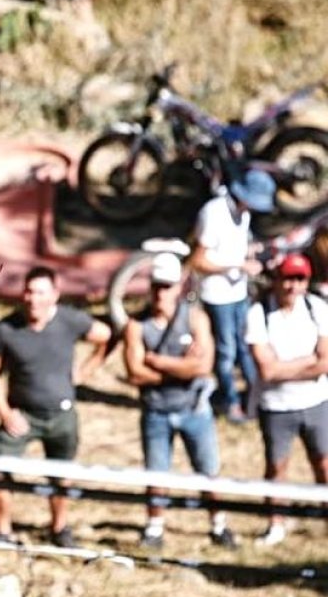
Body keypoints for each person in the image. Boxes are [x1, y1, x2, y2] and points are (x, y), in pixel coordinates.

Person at [0, 265, 111, 546]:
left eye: (40, 292)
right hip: (22, 415)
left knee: (62, 475)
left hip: (62, 414)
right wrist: (5, 412)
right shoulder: (7, 330)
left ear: (54, 295)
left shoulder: (70, 321)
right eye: (28, 291)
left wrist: (84, 372)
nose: (33, 298)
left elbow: (105, 336)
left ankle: (60, 528)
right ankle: (2, 532)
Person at [121, 252, 236, 549]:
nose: (162, 292)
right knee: (157, 473)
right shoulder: (137, 324)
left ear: (178, 287)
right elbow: (134, 372)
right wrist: (181, 369)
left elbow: (202, 367)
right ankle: (155, 527)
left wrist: (156, 361)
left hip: (194, 408)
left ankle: (218, 524)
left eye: (168, 286)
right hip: (156, 410)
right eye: (158, 285)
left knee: (208, 471)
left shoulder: (195, 319)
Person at [245, 252, 328, 546]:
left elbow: (325, 362)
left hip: (316, 402)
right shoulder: (258, 314)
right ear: (277, 280)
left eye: (299, 279)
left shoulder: (317, 308)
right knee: (277, 466)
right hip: (276, 407)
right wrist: (307, 365)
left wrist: (286, 368)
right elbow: (266, 369)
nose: (293, 286)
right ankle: (276, 523)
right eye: (288, 279)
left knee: (323, 462)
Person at [188, 169, 276, 424]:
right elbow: (198, 261)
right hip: (218, 295)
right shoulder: (213, 213)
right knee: (226, 351)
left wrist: (252, 255)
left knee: (245, 347)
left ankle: (254, 398)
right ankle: (231, 402)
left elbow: (234, 248)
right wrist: (236, 265)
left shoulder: (243, 214)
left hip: (239, 292)